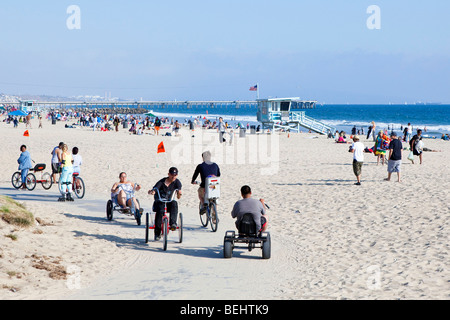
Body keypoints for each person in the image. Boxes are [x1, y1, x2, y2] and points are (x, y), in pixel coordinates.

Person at [148, 167, 182, 240]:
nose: (173, 177)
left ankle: (173, 223)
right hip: (160, 201)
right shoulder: (162, 181)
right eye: (172, 175)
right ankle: (157, 233)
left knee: (174, 204)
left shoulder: (177, 182)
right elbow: (155, 188)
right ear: (168, 174)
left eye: (175, 175)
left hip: (169, 201)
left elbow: (179, 194)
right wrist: (153, 191)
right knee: (160, 211)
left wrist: (179, 193)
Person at [191, 151, 221, 215]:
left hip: (205, 186)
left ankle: (204, 204)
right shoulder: (215, 165)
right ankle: (215, 216)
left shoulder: (200, 166)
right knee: (214, 199)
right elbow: (218, 175)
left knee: (199, 192)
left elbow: (195, 175)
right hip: (214, 186)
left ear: (203, 158)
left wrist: (193, 181)